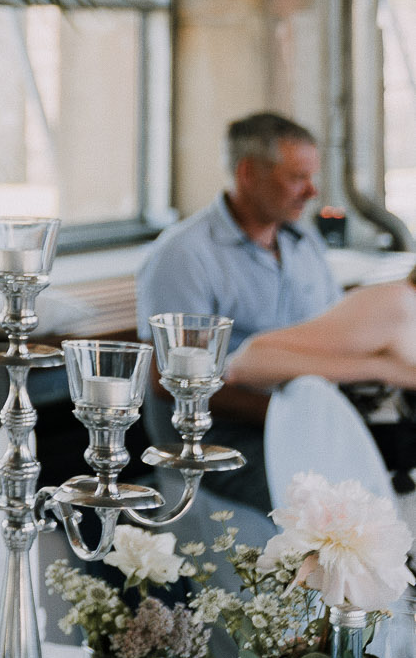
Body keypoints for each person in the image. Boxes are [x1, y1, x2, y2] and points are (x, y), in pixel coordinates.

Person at [141, 111, 416, 505]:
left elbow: (334, 338)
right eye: (297, 177)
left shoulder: (302, 241)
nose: (312, 191)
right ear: (248, 173)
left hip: (307, 414)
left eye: (312, 177)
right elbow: (168, 379)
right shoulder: (184, 255)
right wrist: (301, 420)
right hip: (216, 437)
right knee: (336, 507)